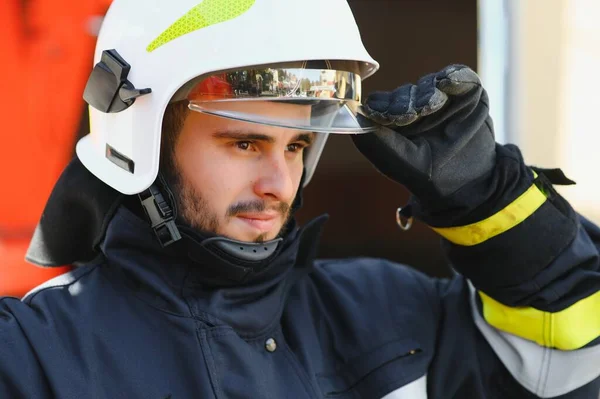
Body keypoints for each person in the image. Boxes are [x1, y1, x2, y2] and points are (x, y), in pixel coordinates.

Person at [4, 0, 599, 397]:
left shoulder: (387, 317)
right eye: (244, 141)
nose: (279, 184)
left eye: (295, 146)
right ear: (143, 138)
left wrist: (492, 201)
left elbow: (567, 363)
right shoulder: (35, 357)